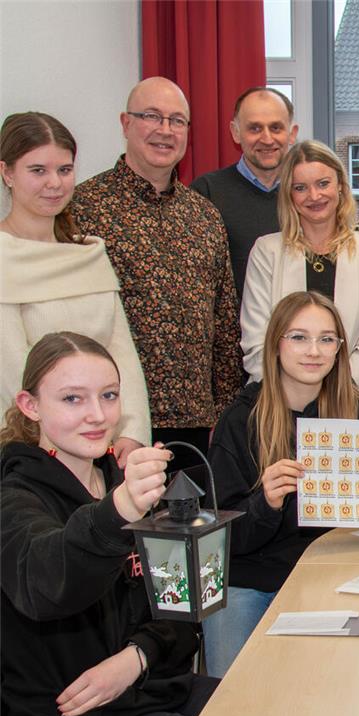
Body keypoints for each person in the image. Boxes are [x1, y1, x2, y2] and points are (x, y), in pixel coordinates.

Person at [1, 332, 215, 716]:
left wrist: (136, 657)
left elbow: (181, 611)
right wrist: (116, 511)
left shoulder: (123, 482)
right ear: (30, 405)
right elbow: (49, 582)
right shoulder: (15, 499)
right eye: (72, 398)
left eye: (109, 396)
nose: (96, 415)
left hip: (153, 689)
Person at [205, 292, 359, 676]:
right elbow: (218, 543)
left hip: (333, 572)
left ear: (339, 349)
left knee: (346, 684)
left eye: (326, 339)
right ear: (275, 344)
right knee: (227, 693)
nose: (313, 351)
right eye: (298, 337)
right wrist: (263, 504)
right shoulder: (240, 421)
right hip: (251, 579)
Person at [71, 76, 242, 475]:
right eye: (152, 116)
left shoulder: (204, 216)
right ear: (125, 123)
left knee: (190, 535)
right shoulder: (83, 208)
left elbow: (224, 321)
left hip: (195, 423)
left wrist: (227, 412)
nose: (165, 130)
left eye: (177, 121)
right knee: (118, 535)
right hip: (113, 419)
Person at [0, 111, 150, 463]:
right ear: (7, 173)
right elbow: (10, 372)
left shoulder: (89, 252)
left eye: (64, 170)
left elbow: (121, 353)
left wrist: (132, 432)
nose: (54, 183)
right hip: (32, 452)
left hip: (103, 445)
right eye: (38, 170)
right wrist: (53, 449)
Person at [240, 140, 359, 391]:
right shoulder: (266, 252)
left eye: (323, 183)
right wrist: (292, 395)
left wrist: (336, 393)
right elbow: (257, 341)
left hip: (347, 400)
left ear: (340, 186)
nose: (314, 196)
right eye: (301, 187)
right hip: (278, 399)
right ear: (289, 195)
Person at [190, 87, 299, 302]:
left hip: (300, 330)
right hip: (234, 334)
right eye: (255, 128)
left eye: (276, 127)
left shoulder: (309, 195)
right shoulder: (206, 193)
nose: (267, 139)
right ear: (235, 132)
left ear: (292, 133)